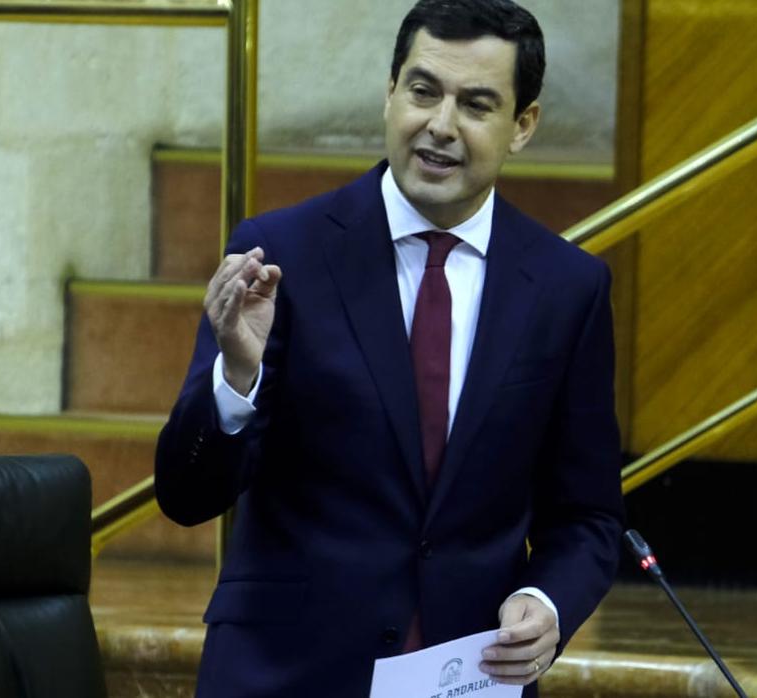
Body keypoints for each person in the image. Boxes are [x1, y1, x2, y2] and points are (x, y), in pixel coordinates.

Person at [155, 0, 624, 694]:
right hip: (285, 673)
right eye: (423, 91)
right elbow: (187, 495)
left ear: (523, 125)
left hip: (466, 676)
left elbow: (585, 515)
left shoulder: (566, 287)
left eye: (476, 104)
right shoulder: (284, 254)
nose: (439, 126)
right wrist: (236, 375)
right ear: (389, 93)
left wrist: (548, 602)